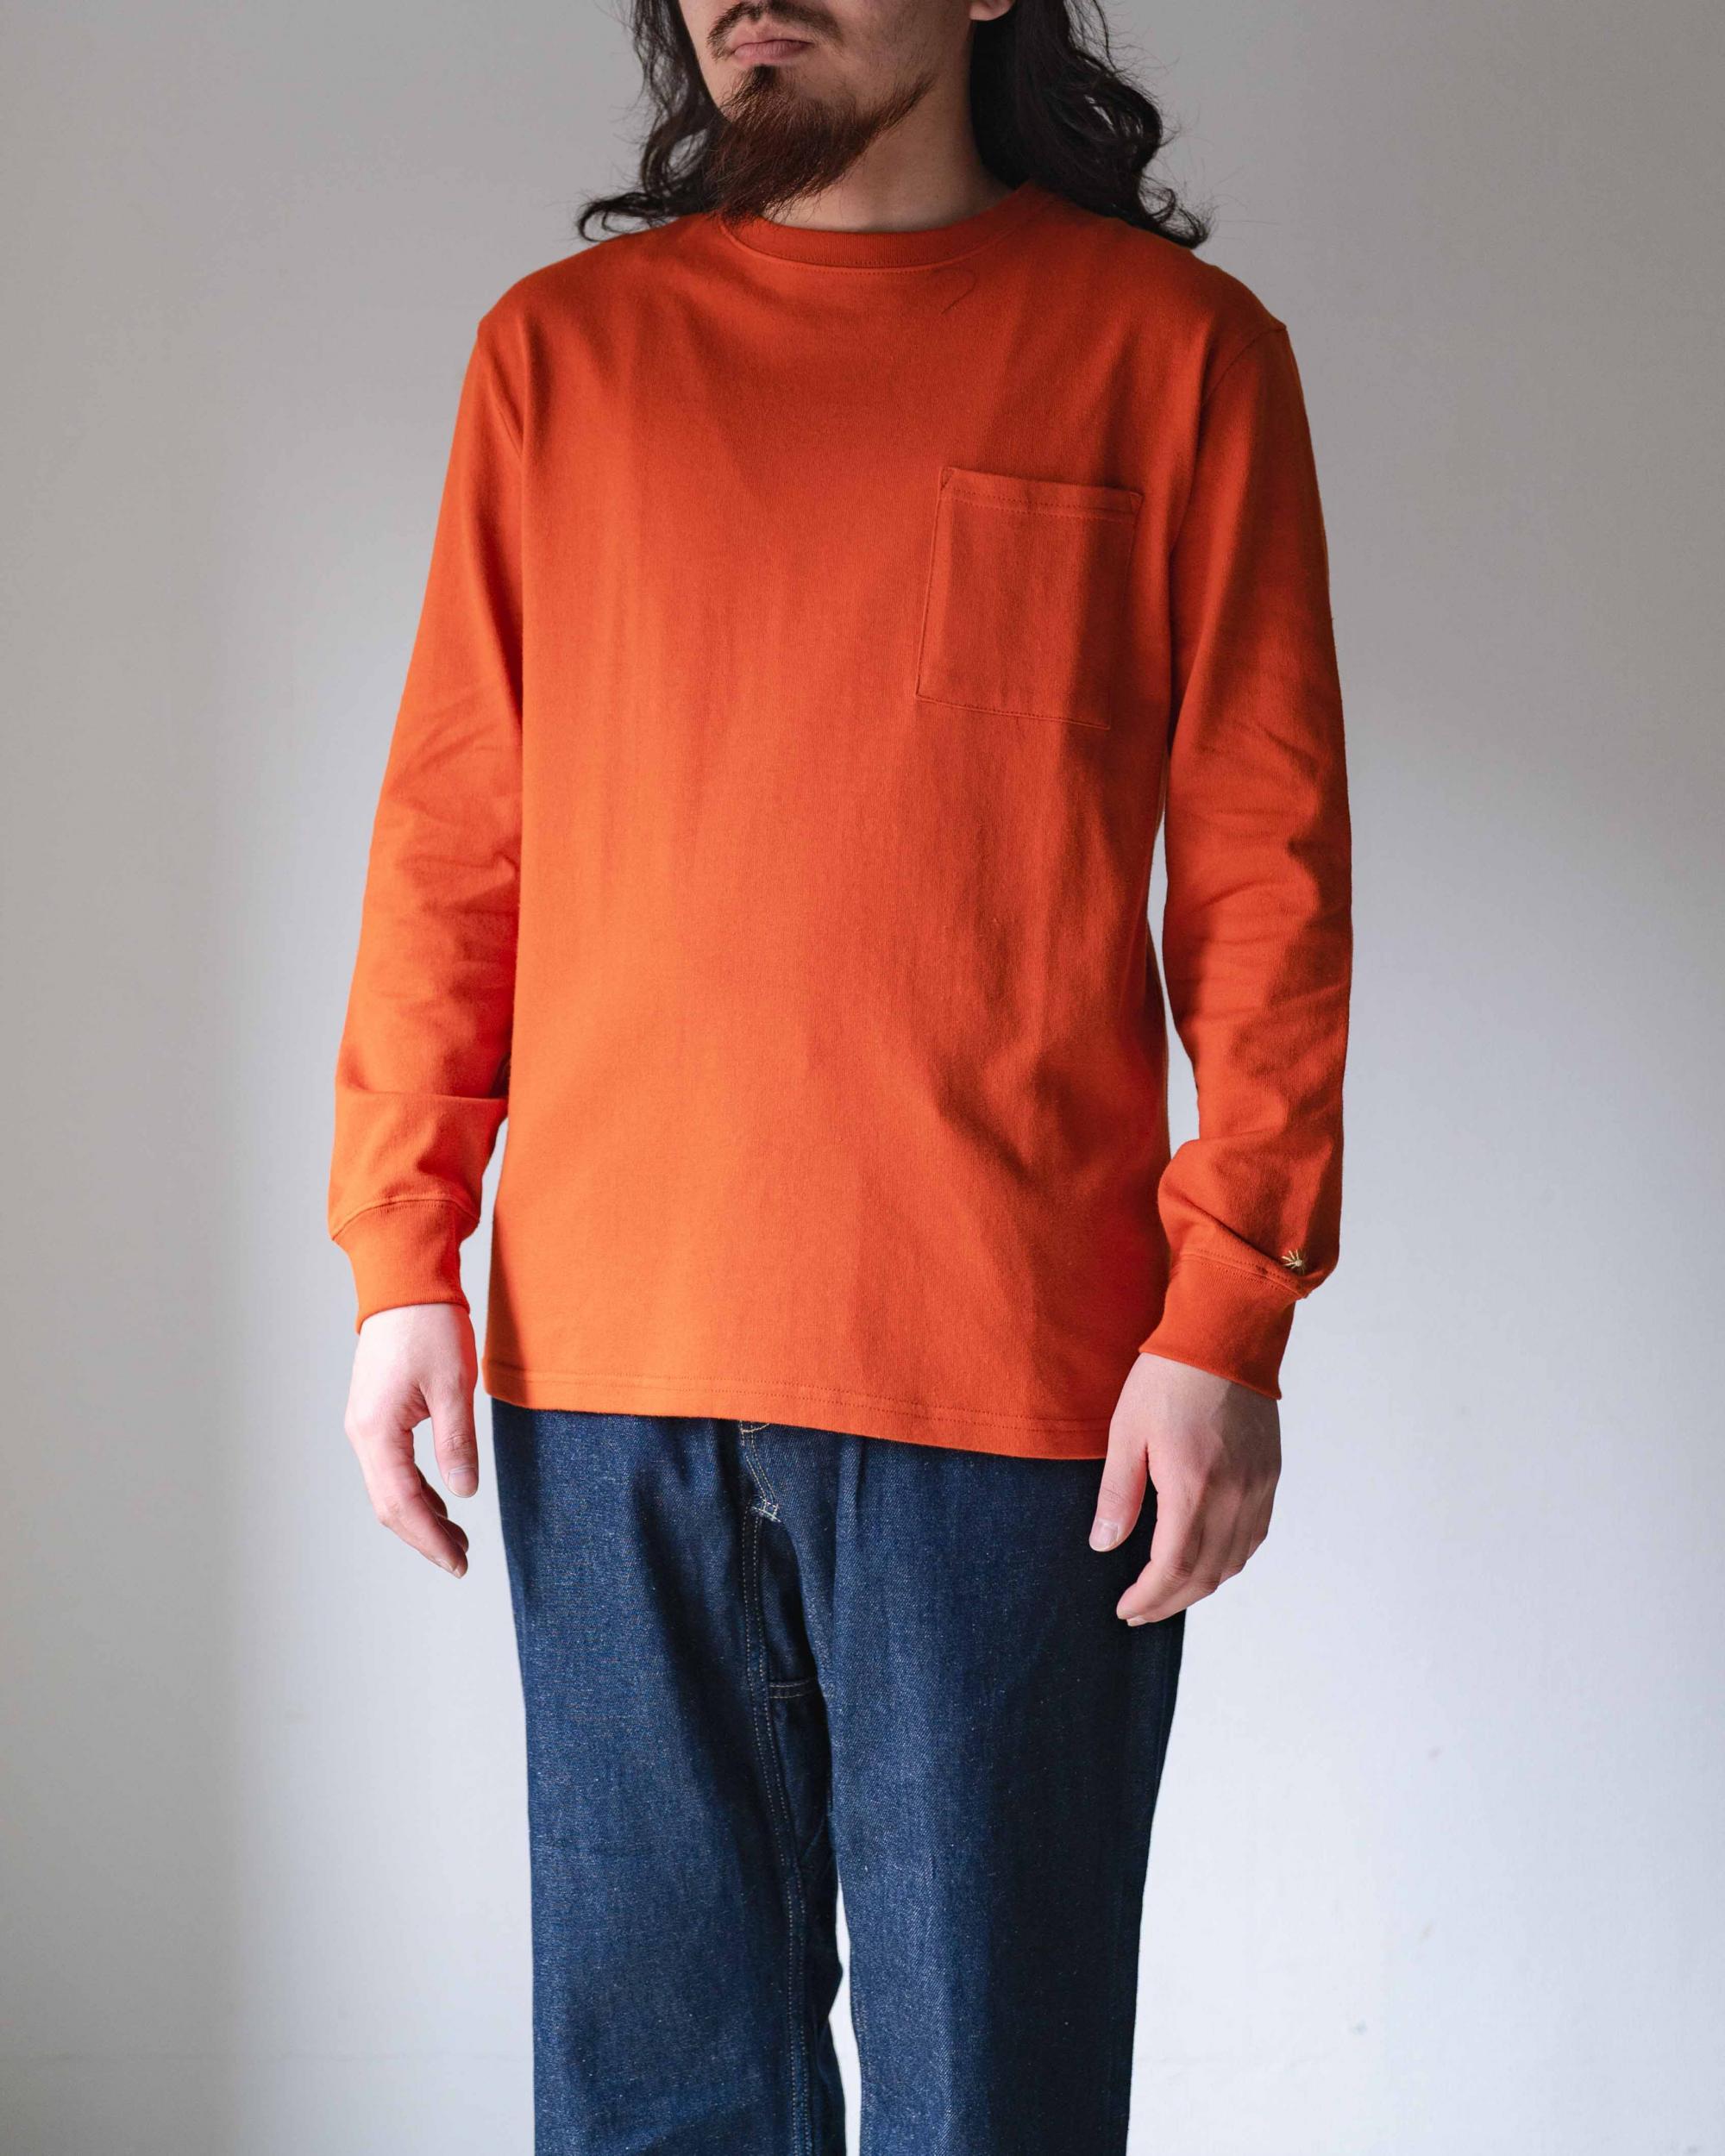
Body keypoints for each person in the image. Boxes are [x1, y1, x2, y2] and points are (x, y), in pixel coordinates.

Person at [328, 0, 1352, 2143]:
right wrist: (402, 1255)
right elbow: (454, 835)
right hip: (610, 1369)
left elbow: (1264, 876)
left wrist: (1229, 1310)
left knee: (997, 2097)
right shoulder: (560, 360)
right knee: (652, 2105)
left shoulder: (1175, 356)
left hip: (1018, 1381)